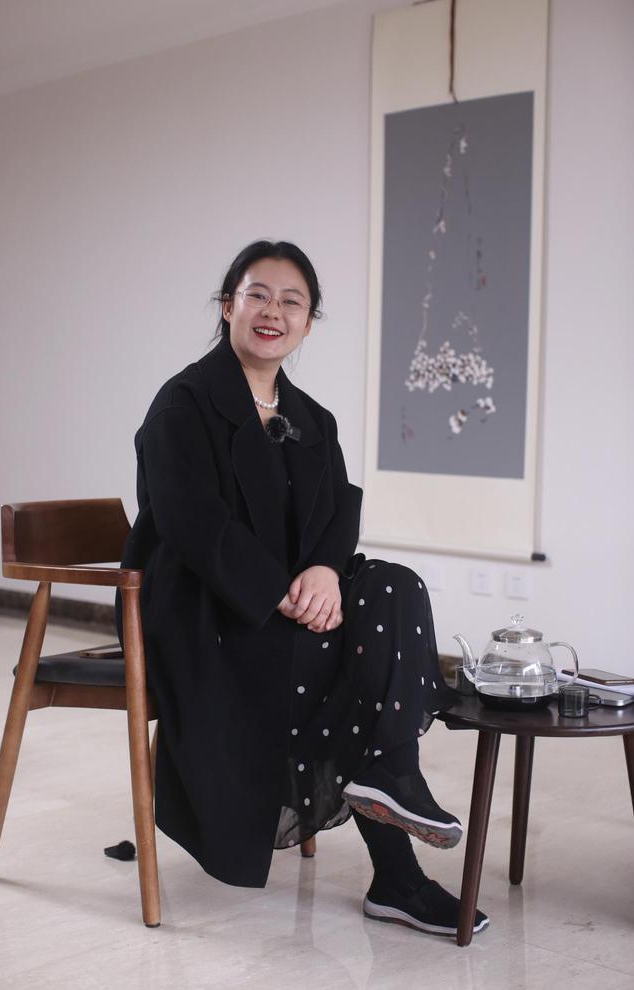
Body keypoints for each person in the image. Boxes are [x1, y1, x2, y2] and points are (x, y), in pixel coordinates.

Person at [116, 240, 488, 937]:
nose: (273, 312)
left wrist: (323, 571)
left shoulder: (312, 418)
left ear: (309, 323)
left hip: (283, 601)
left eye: (292, 302)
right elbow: (193, 524)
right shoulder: (184, 405)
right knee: (347, 657)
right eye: (257, 295)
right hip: (203, 607)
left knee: (394, 586)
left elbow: (334, 512)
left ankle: (391, 784)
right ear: (227, 306)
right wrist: (283, 593)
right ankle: (398, 866)